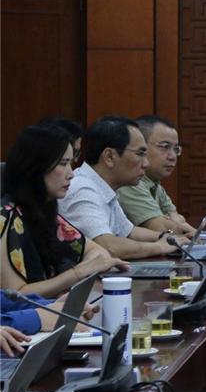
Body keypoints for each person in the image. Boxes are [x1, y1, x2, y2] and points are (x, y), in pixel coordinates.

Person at [1, 123, 129, 298]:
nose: (71, 173)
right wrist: (79, 272)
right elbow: (16, 296)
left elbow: (98, 252)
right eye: (63, 164)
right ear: (34, 167)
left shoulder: (44, 212)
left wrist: (82, 272)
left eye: (71, 163)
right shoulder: (5, 217)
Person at [59, 116, 189, 260]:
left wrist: (168, 236)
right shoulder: (82, 189)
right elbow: (108, 247)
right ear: (109, 156)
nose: (145, 164)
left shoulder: (105, 187)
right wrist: (160, 246)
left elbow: (129, 232)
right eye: (140, 154)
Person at [118, 115, 196, 237]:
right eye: (165, 147)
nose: (173, 156)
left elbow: (178, 219)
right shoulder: (129, 182)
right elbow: (163, 229)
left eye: (175, 149)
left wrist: (175, 220)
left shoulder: (154, 184)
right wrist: (173, 222)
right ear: (140, 145)